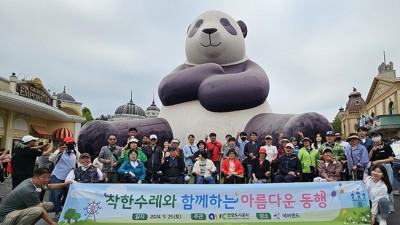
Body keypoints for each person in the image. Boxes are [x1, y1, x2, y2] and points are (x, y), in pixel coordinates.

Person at [0, 168, 71, 225]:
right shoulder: (28, 189)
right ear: (35, 178)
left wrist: (65, 184)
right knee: (38, 210)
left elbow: (49, 186)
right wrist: (52, 223)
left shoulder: (32, 181)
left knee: (49, 205)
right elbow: (40, 209)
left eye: (48, 177)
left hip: (18, 211)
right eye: (43, 177)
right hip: (6, 218)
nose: (47, 180)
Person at [48, 136, 80, 220]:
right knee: (56, 195)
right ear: (64, 144)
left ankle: (67, 211)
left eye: (72, 144)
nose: (70, 145)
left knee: (69, 195)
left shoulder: (75, 153)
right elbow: (50, 159)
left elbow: (80, 161)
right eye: (68, 144)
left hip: (70, 177)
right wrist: (59, 150)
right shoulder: (60, 152)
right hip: (58, 176)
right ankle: (57, 212)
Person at [369, 130, 395, 212]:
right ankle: (375, 207)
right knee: (374, 186)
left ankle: (390, 207)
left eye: (377, 135)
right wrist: (372, 150)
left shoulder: (386, 146)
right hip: (374, 168)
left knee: (388, 186)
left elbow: (391, 158)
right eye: (373, 136)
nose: (375, 137)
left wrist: (379, 161)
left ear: (380, 136)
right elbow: (368, 158)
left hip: (385, 167)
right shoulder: (370, 146)